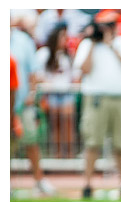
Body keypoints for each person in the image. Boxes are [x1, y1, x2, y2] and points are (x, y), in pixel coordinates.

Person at [73, 11, 121, 199]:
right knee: (92, 142)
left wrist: (112, 46)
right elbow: (84, 69)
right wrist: (94, 43)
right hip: (96, 99)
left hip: (119, 98)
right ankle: (87, 184)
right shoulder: (88, 44)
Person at [10, 9, 56, 197]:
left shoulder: (22, 41)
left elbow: (33, 72)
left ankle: (39, 180)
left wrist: (31, 95)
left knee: (31, 141)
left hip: (22, 103)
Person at [36, 23, 76, 159]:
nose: (65, 40)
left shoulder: (68, 55)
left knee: (68, 122)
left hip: (66, 93)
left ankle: (70, 154)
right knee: (56, 125)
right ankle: (58, 155)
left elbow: (74, 75)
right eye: (63, 37)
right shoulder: (44, 53)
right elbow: (38, 74)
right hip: (51, 93)